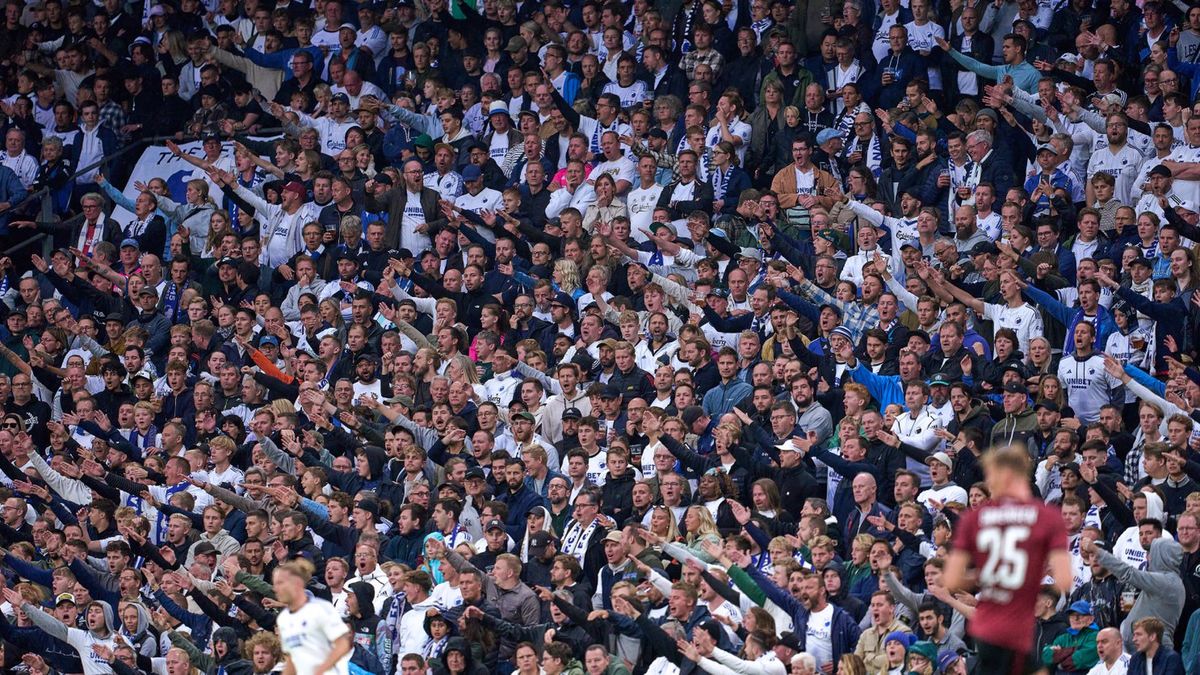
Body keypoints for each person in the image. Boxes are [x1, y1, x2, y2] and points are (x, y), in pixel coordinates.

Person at [946, 445, 1072, 674]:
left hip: (987, 627)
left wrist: (990, 574)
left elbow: (953, 580)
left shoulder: (974, 518)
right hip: (1017, 626)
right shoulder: (1048, 517)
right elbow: (1064, 580)